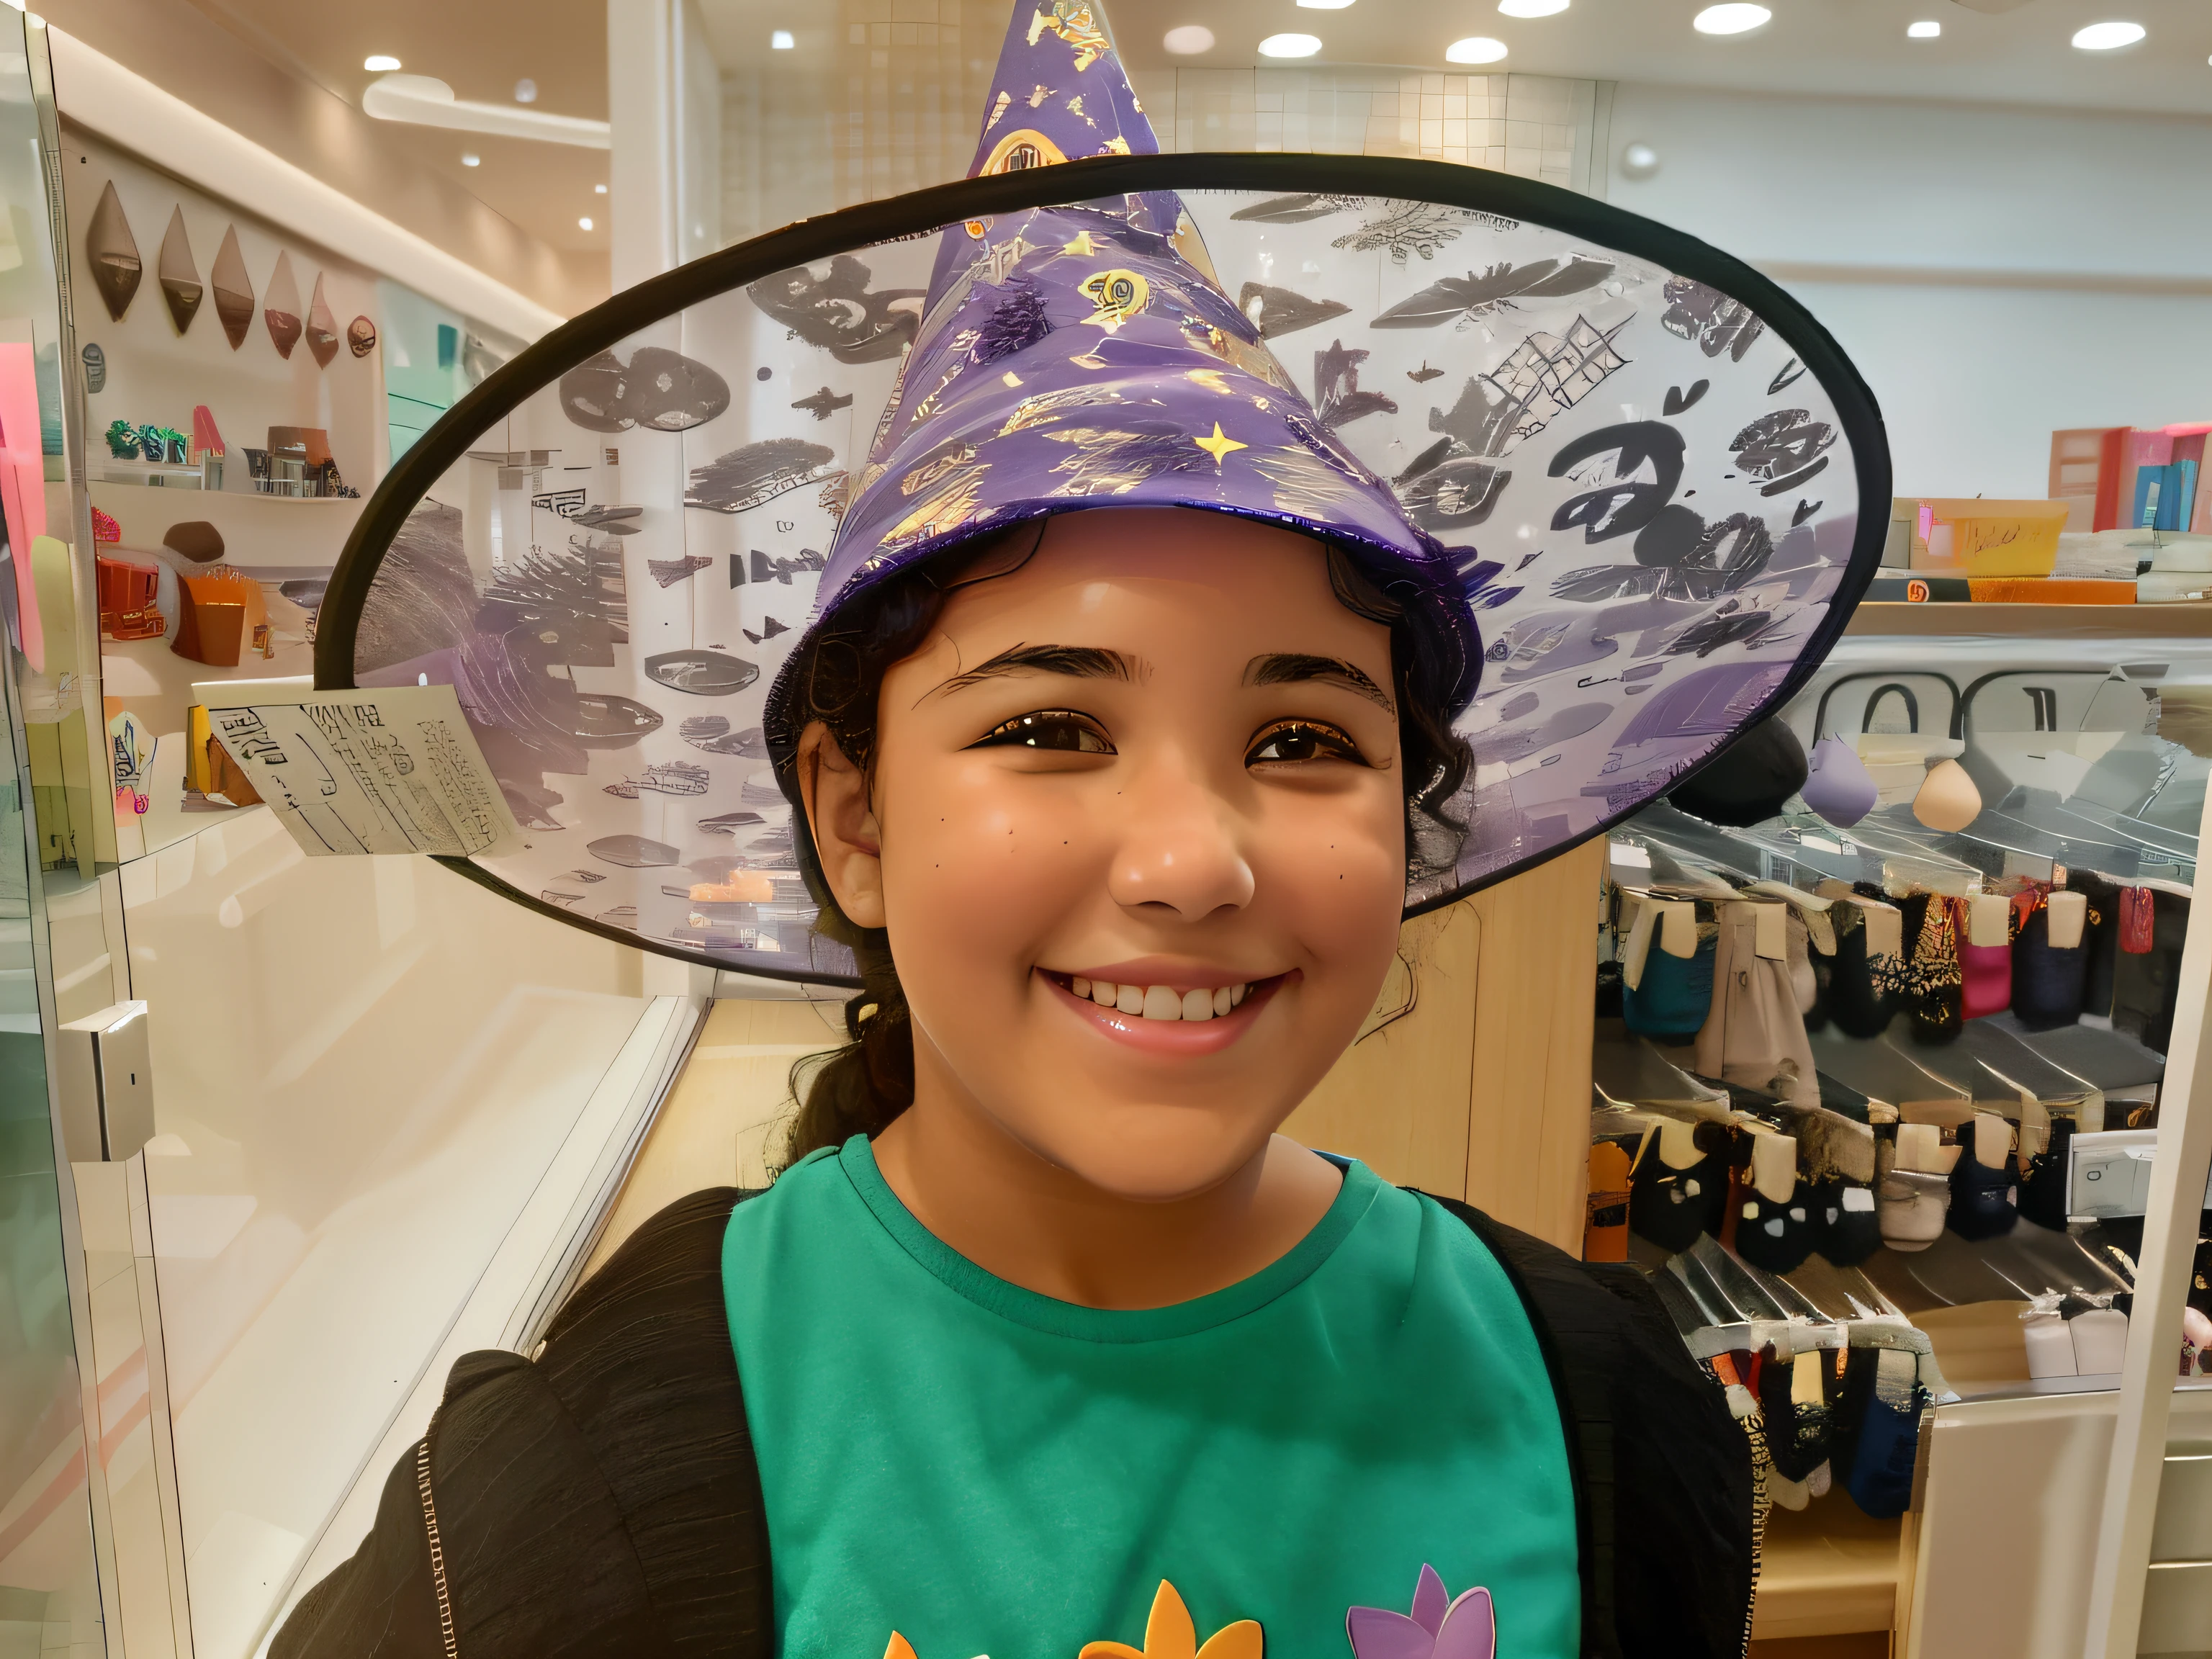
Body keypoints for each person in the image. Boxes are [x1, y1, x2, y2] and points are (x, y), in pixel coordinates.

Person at [279, 4, 1887, 1655]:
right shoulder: (584, 1491)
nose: (1192, 862)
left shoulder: (1596, 1408)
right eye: (1049, 728)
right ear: (854, 821)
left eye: (1305, 737)